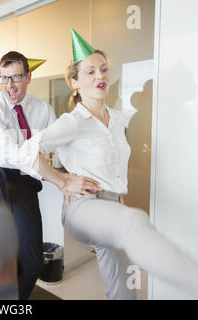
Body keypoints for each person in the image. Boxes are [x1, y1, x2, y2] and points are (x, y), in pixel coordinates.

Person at [19, 29, 198, 299]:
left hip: (113, 207)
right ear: (74, 82)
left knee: (125, 291)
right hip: (84, 208)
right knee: (135, 221)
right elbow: (27, 152)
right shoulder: (73, 121)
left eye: (103, 69)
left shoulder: (117, 119)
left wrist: (117, 193)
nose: (100, 76)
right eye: (90, 72)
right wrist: (62, 180)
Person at [0, 51, 100, 300]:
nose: (9, 85)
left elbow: (61, 148)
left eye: (16, 77)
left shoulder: (43, 109)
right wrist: (60, 180)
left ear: (28, 77)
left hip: (25, 180)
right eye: (4, 78)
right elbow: (13, 152)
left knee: (32, 263)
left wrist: (75, 177)